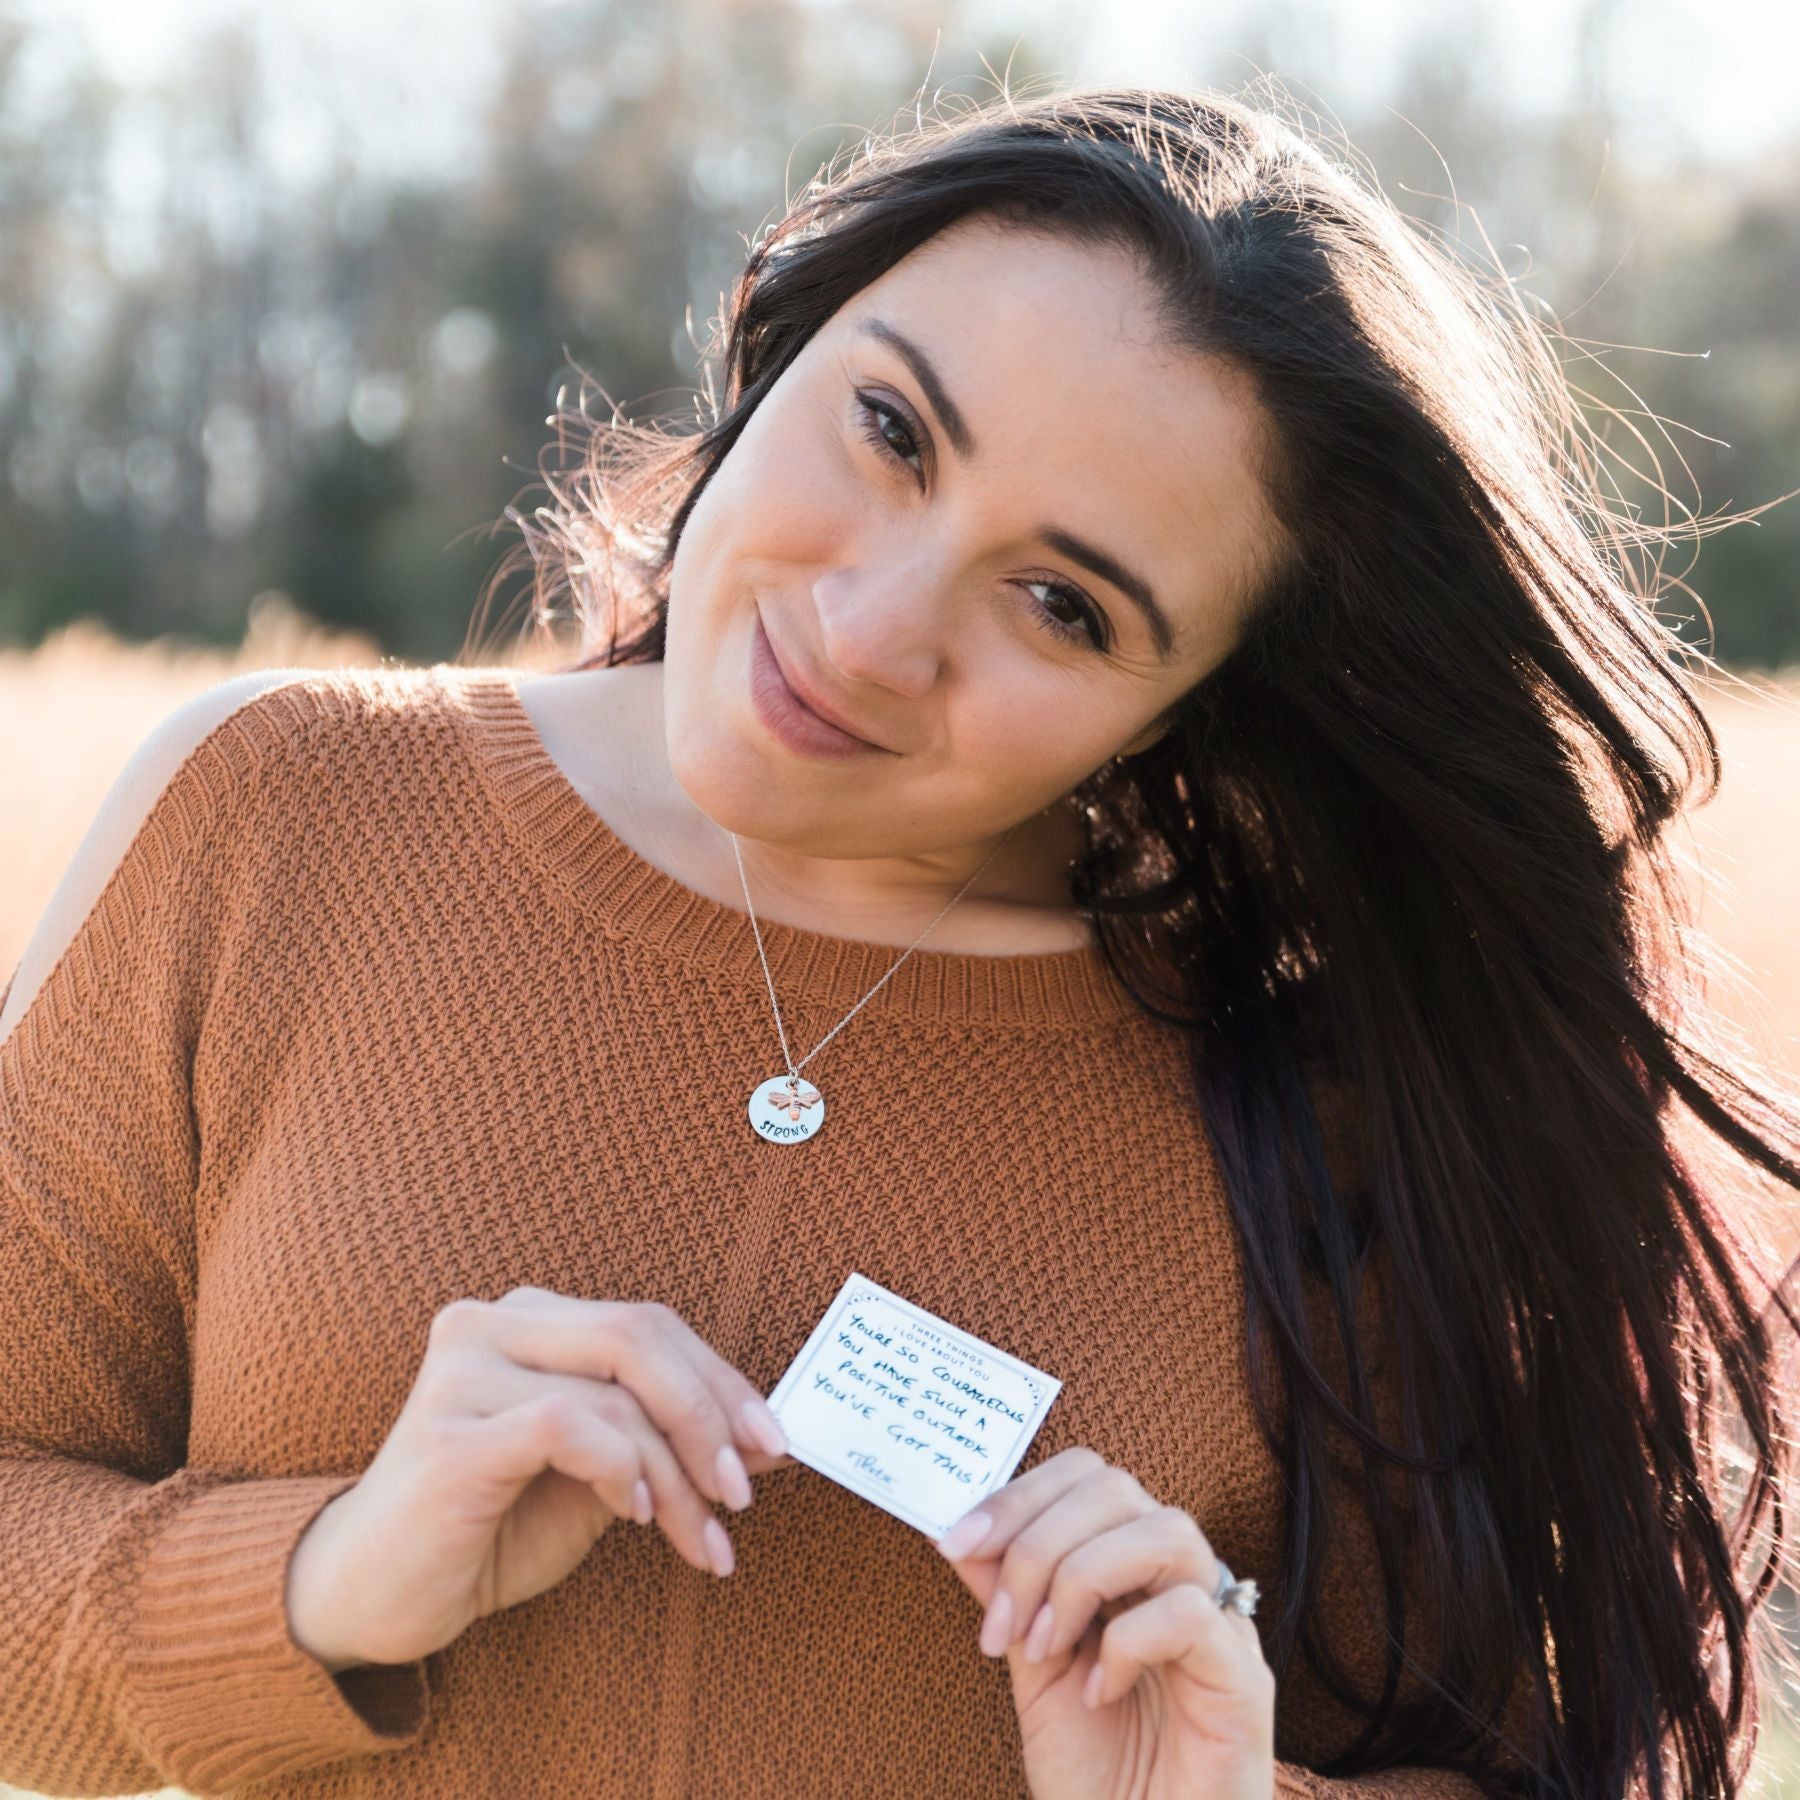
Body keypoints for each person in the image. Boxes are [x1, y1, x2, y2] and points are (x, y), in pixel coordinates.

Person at [2, 82, 1796, 1800]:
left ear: (1188, 707)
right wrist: (325, 1576)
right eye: (890, 429)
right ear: (786, 332)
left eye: (1064, 604)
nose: (868, 633)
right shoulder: (276, 818)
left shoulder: (1325, 1104)